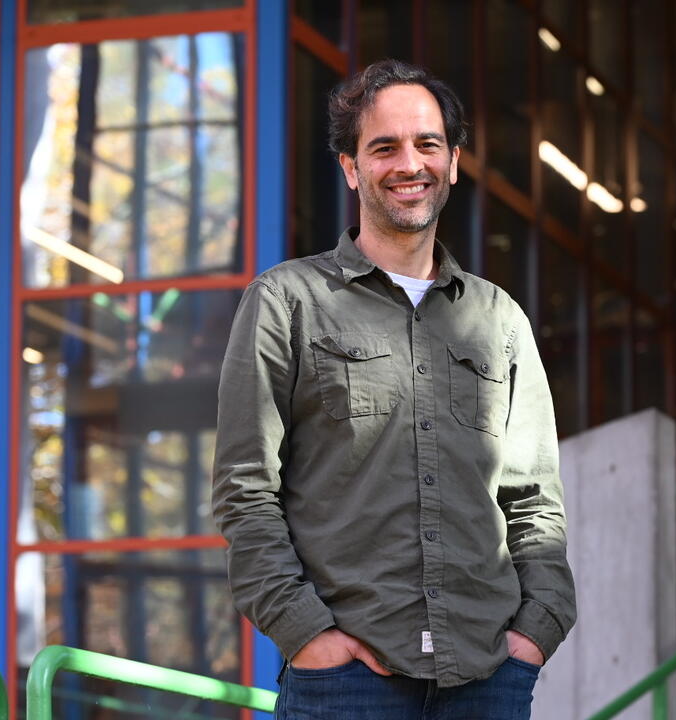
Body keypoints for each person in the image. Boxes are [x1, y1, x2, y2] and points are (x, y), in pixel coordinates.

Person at [212, 59, 575, 719]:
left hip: (488, 676)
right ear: (352, 167)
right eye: (385, 147)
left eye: (427, 144)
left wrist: (536, 632)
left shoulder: (500, 320)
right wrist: (309, 637)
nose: (410, 163)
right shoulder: (286, 302)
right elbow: (244, 492)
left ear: (454, 161)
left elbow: (534, 505)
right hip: (345, 683)